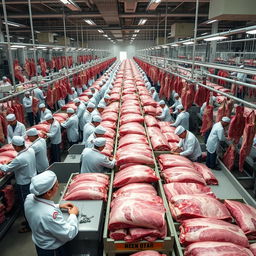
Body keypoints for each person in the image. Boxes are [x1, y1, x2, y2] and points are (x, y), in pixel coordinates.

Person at [25, 171, 79, 256]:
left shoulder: (29, 198)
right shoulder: (50, 215)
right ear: (49, 192)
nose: (58, 186)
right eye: (57, 185)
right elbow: (68, 234)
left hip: (40, 243)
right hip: (52, 250)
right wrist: (73, 215)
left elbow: (40, 208)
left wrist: (59, 206)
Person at [0, 136, 36, 233]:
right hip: (31, 180)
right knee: (30, 203)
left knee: (26, 205)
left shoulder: (20, 158)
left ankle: (29, 226)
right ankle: (29, 221)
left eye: (14, 146)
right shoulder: (30, 150)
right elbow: (18, 162)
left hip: (24, 184)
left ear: (16, 146)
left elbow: (6, 169)